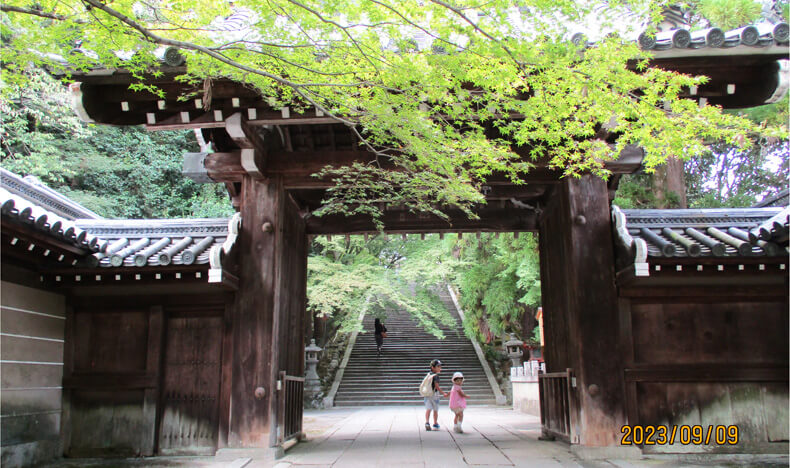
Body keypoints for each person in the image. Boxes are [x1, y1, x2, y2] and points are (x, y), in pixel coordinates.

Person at [424, 359, 448, 431]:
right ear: (433, 367)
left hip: (427, 394)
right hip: (435, 394)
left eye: (440, 366)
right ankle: (435, 422)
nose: (440, 368)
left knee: (428, 409)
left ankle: (427, 422)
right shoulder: (436, 376)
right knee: (435, 409)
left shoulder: (428, 374)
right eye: (438, 366)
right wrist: (443, 393)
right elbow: (437, 386)